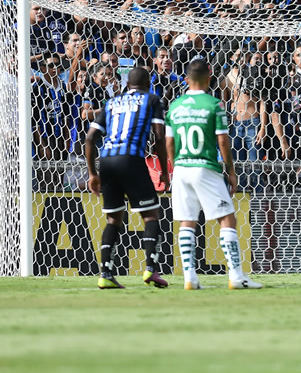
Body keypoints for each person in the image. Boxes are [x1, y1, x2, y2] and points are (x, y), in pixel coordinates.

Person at [165, 58, 262, 290]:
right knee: (227, 218)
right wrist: (231, 171)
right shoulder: (214, 104)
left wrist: (175, 165)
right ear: (209, 79)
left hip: (181, 168)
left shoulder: (175, 106)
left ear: (186, 79)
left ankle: (190, 277)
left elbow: (168, 142)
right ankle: (236, 276)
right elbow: (223, 141)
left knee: (187, 221)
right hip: (205, 166)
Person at [84, 67, 169, 290]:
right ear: (148, 84)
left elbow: (90, 139)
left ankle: (105, 274)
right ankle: (150, 269)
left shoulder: (111, 103)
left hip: (107, 161)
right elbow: (159, 137)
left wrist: (93, 173)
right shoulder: (152, 100)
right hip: (131, 159)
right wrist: (164, 170)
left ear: (127, 85)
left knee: (113, 219)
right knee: (150, 215)